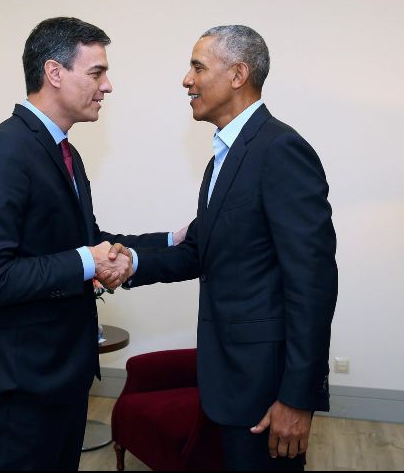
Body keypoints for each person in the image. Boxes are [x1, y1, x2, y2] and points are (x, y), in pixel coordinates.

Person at [0, 17, 182, 471]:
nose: (108, 86)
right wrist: (87, 260)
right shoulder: (1, 149)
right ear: (55, 73)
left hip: (64, 372)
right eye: (97, 72)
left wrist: (170, 240)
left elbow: (89, 243)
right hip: (26, 381)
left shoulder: (66, 151)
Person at [121, 25, 338, 471]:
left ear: (238, 74)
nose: (187, 80)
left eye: (198, 67)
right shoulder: (223, 157)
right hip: (228, 383)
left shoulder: (280, 150)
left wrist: (297, 398)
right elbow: (202, 250)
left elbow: (312, 284)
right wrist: (128, 261)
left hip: (265, 389)